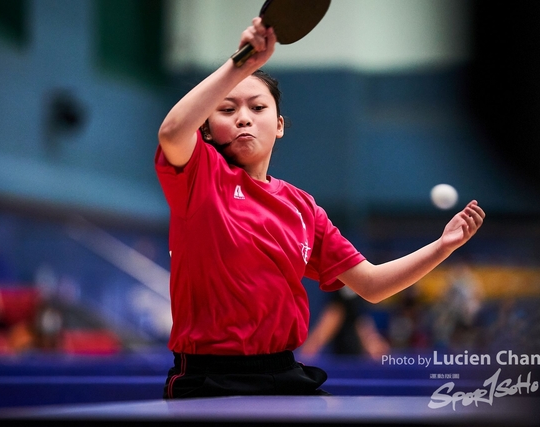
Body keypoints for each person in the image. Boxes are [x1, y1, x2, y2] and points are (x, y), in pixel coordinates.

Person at [155, 17, 485, 399]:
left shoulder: (303, 208)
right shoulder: (200, 177)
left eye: (257, 107)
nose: (243, 117)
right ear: (207, 130)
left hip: (284, 371)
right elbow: (171, 132)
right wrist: (241, 64)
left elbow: (372, 285)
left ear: (278, 125)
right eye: (227, 110)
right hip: (209, 378)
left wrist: (442, 246)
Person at [299, 287, 390, 360]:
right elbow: (335, 313)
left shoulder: (351, 282)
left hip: (350, 356)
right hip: (339, 354)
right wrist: (312, 346)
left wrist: (371, 340)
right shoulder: (341, 280)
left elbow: (356, 315)